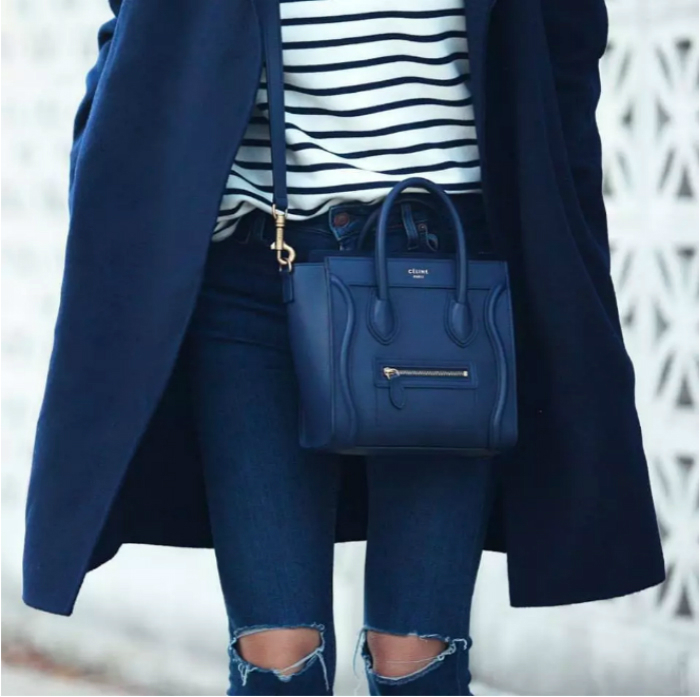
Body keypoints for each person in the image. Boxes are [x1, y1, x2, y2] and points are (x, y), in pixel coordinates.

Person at [22, 0, 666, 695]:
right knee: (276, 661)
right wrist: (99, 152)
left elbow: (562, 38)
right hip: (254, 271)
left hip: (442, 276)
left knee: (416, 657)